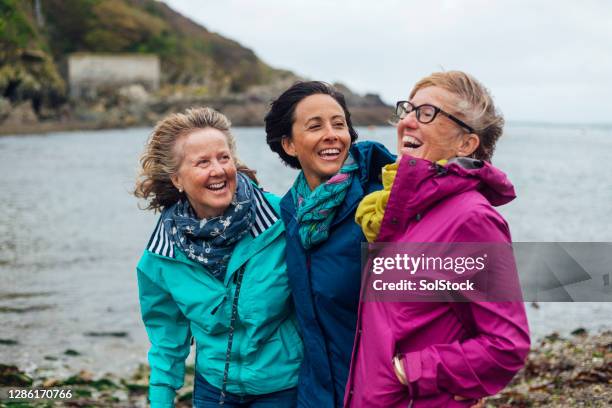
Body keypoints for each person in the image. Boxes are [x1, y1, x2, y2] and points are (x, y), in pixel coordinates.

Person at [345, 71, 531, 407]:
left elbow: (506, 346)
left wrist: (409, 371)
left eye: (427, 113)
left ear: (466, 143)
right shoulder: (398, 209)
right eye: (408, 110)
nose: (409, 122)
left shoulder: (472, 220)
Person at [134, 107, 302, 408]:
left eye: (224, 158)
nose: (218, 170)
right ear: (177, 179)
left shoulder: (282, 220)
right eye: (202, 162)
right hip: (213, 391)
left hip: (284, 388)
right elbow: (166, 340)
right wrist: (160, 400)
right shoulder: (162, 256)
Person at [264, 81, 396, 407]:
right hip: (316, 394)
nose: (332, 134)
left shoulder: (380, 205)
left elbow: (462, 281)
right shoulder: (291, 212)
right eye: (315, 126)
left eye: (339, 124)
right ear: (289, 145)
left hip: (378, 394)